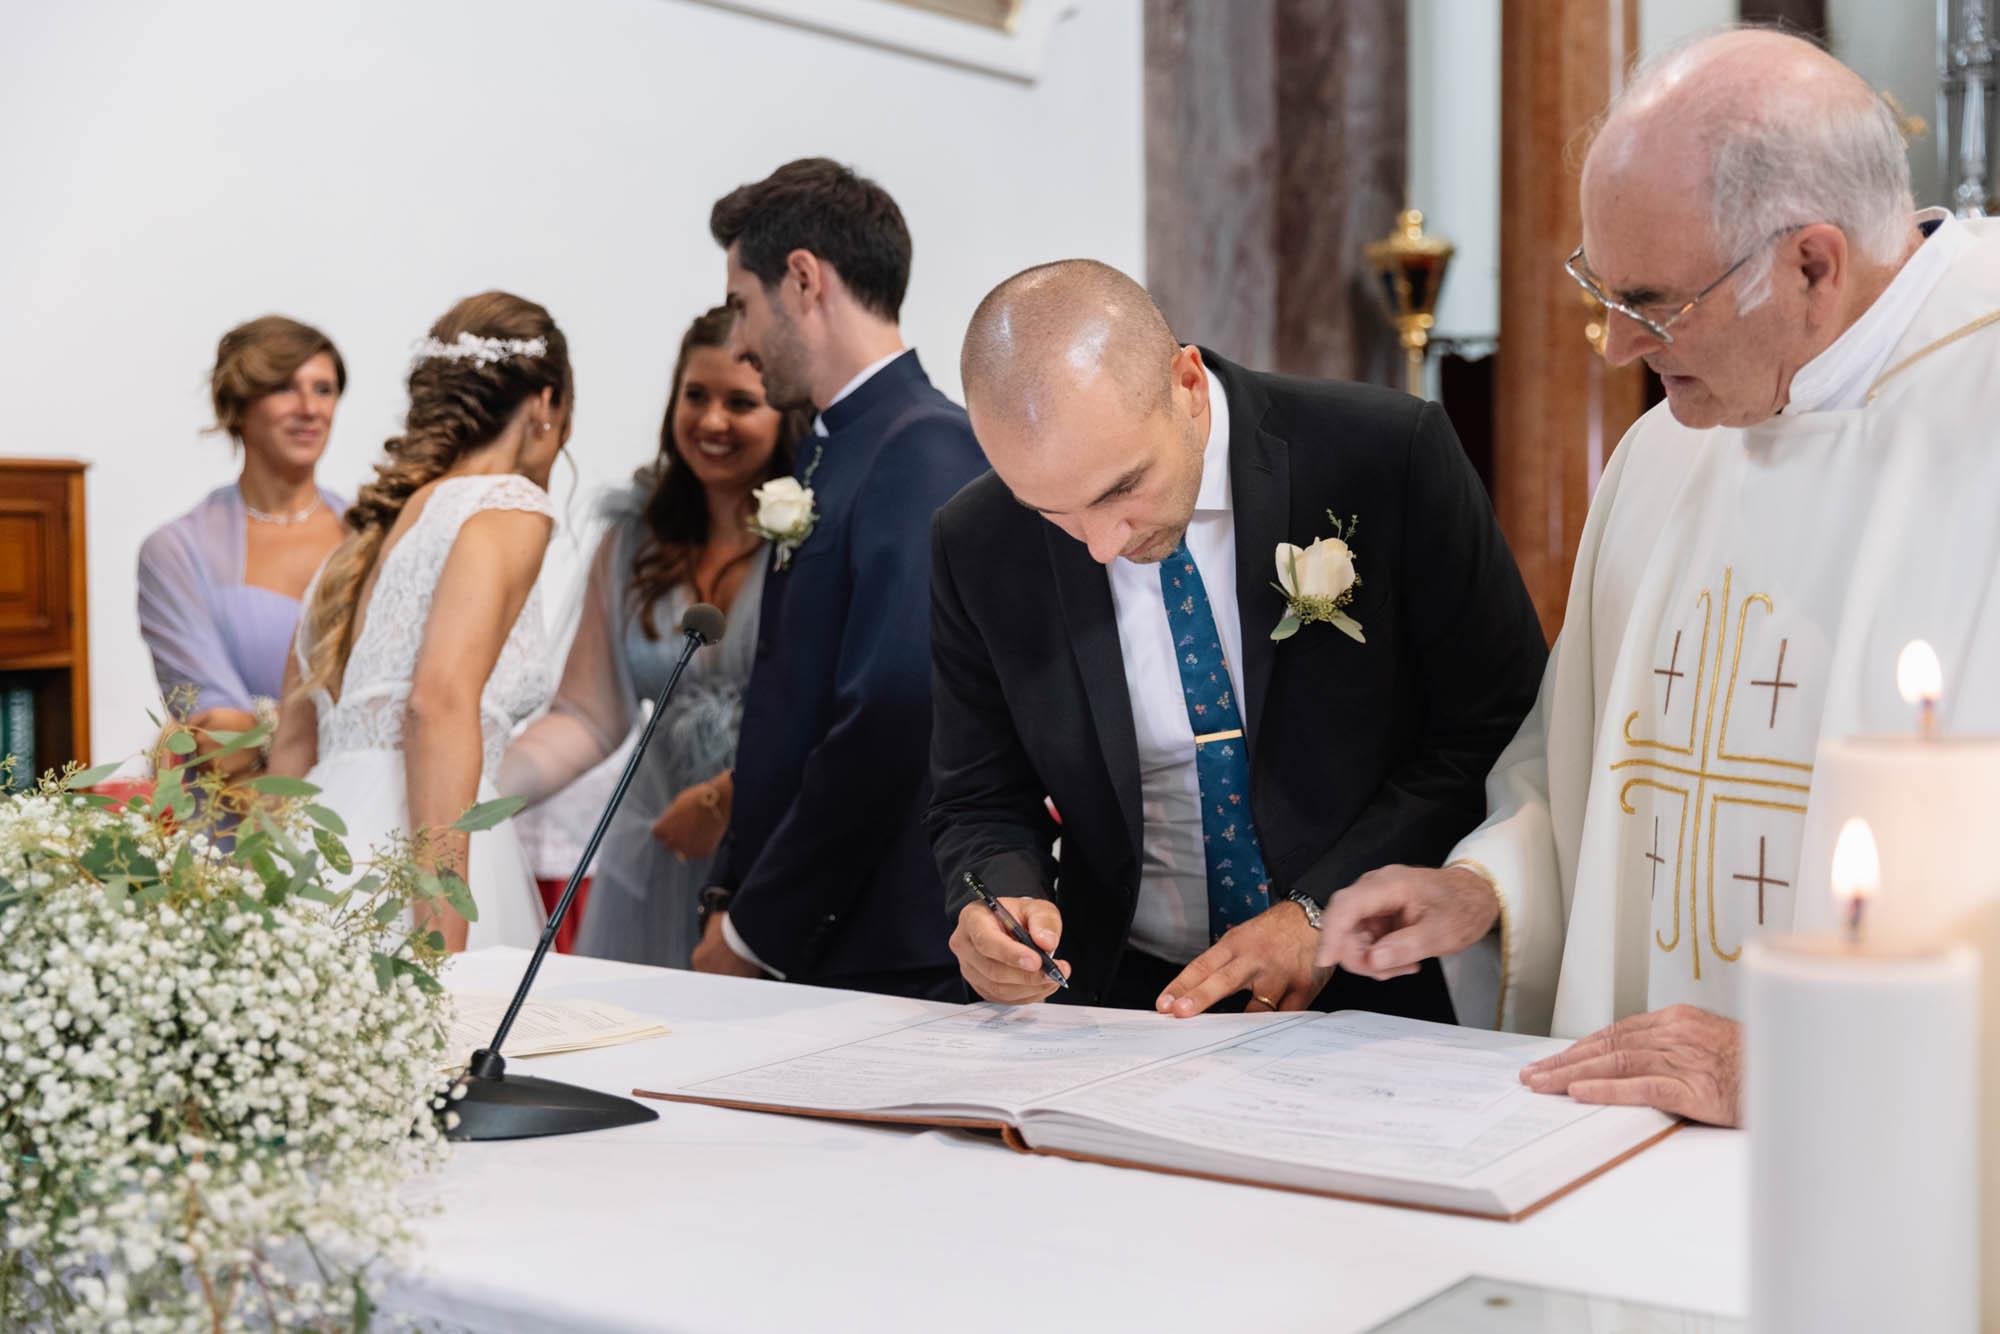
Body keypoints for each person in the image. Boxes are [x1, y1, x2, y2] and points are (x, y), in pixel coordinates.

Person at [1311, 29, 2000, 1126]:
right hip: (1622, 1136)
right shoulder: (1669, 446)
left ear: (1812, 264)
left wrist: (1816, 1059)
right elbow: (1584, 759)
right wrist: (1485, 885)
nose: (1615, 348)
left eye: (1654, 301)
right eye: (1602, 289)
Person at [929, 259, 1547, 1016]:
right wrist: (997, 903)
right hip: (1124, 998)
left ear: (1186, 385)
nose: (1099, 544)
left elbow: (1494, 726)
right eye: (1049, 512)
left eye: (1122, 488)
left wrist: (1317, 912)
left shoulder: (1384, 455)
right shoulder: (976, 540)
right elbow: (980, 794)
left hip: (1375, 986)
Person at [697, 157, 986, 999]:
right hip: (825, 937)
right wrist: (730, 888)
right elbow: (792, 704)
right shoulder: (837, 448)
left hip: (881, 948)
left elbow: (895, 706)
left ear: (802, 279)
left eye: (741, 306)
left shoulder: (923, 444)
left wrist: (758, 929)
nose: (741, 342)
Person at [499, 306, 807, 967]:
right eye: (694, 396)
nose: (712, 421)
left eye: (741, 402)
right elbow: (589, 713)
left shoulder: (814, 537)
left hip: (778, 851)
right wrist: (483, 790)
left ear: (784, 411)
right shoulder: (633, 541)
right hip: (653, 847)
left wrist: (729, 797)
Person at [266, 291, 573, 952]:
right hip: (412, 862)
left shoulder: (356, 544)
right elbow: (436, 704)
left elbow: (292, 747)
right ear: (544, 404)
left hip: (314, 858)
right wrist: (439, 941)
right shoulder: (507, 506)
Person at [138, 316, 350, 774]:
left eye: (323, 389)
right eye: (284, 388)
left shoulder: (370, 535)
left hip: (366, 805)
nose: (309, 408)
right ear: (237, 405)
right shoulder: (176, 551)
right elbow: (219, 727)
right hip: (236, 814)